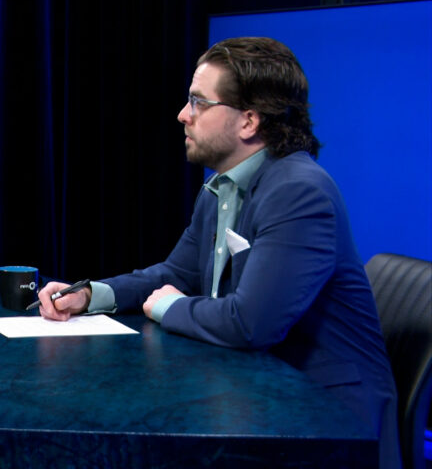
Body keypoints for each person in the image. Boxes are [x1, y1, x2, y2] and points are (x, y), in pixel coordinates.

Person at [37, 37, 400, 469]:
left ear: (248, 121)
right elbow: (176, 272)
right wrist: (90, 295)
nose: (182, 115)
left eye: (197, 102)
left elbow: (251, 324)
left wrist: (170, 307)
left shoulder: (299, 191)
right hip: (258, 396)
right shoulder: (221, 187)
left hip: (329, 419)